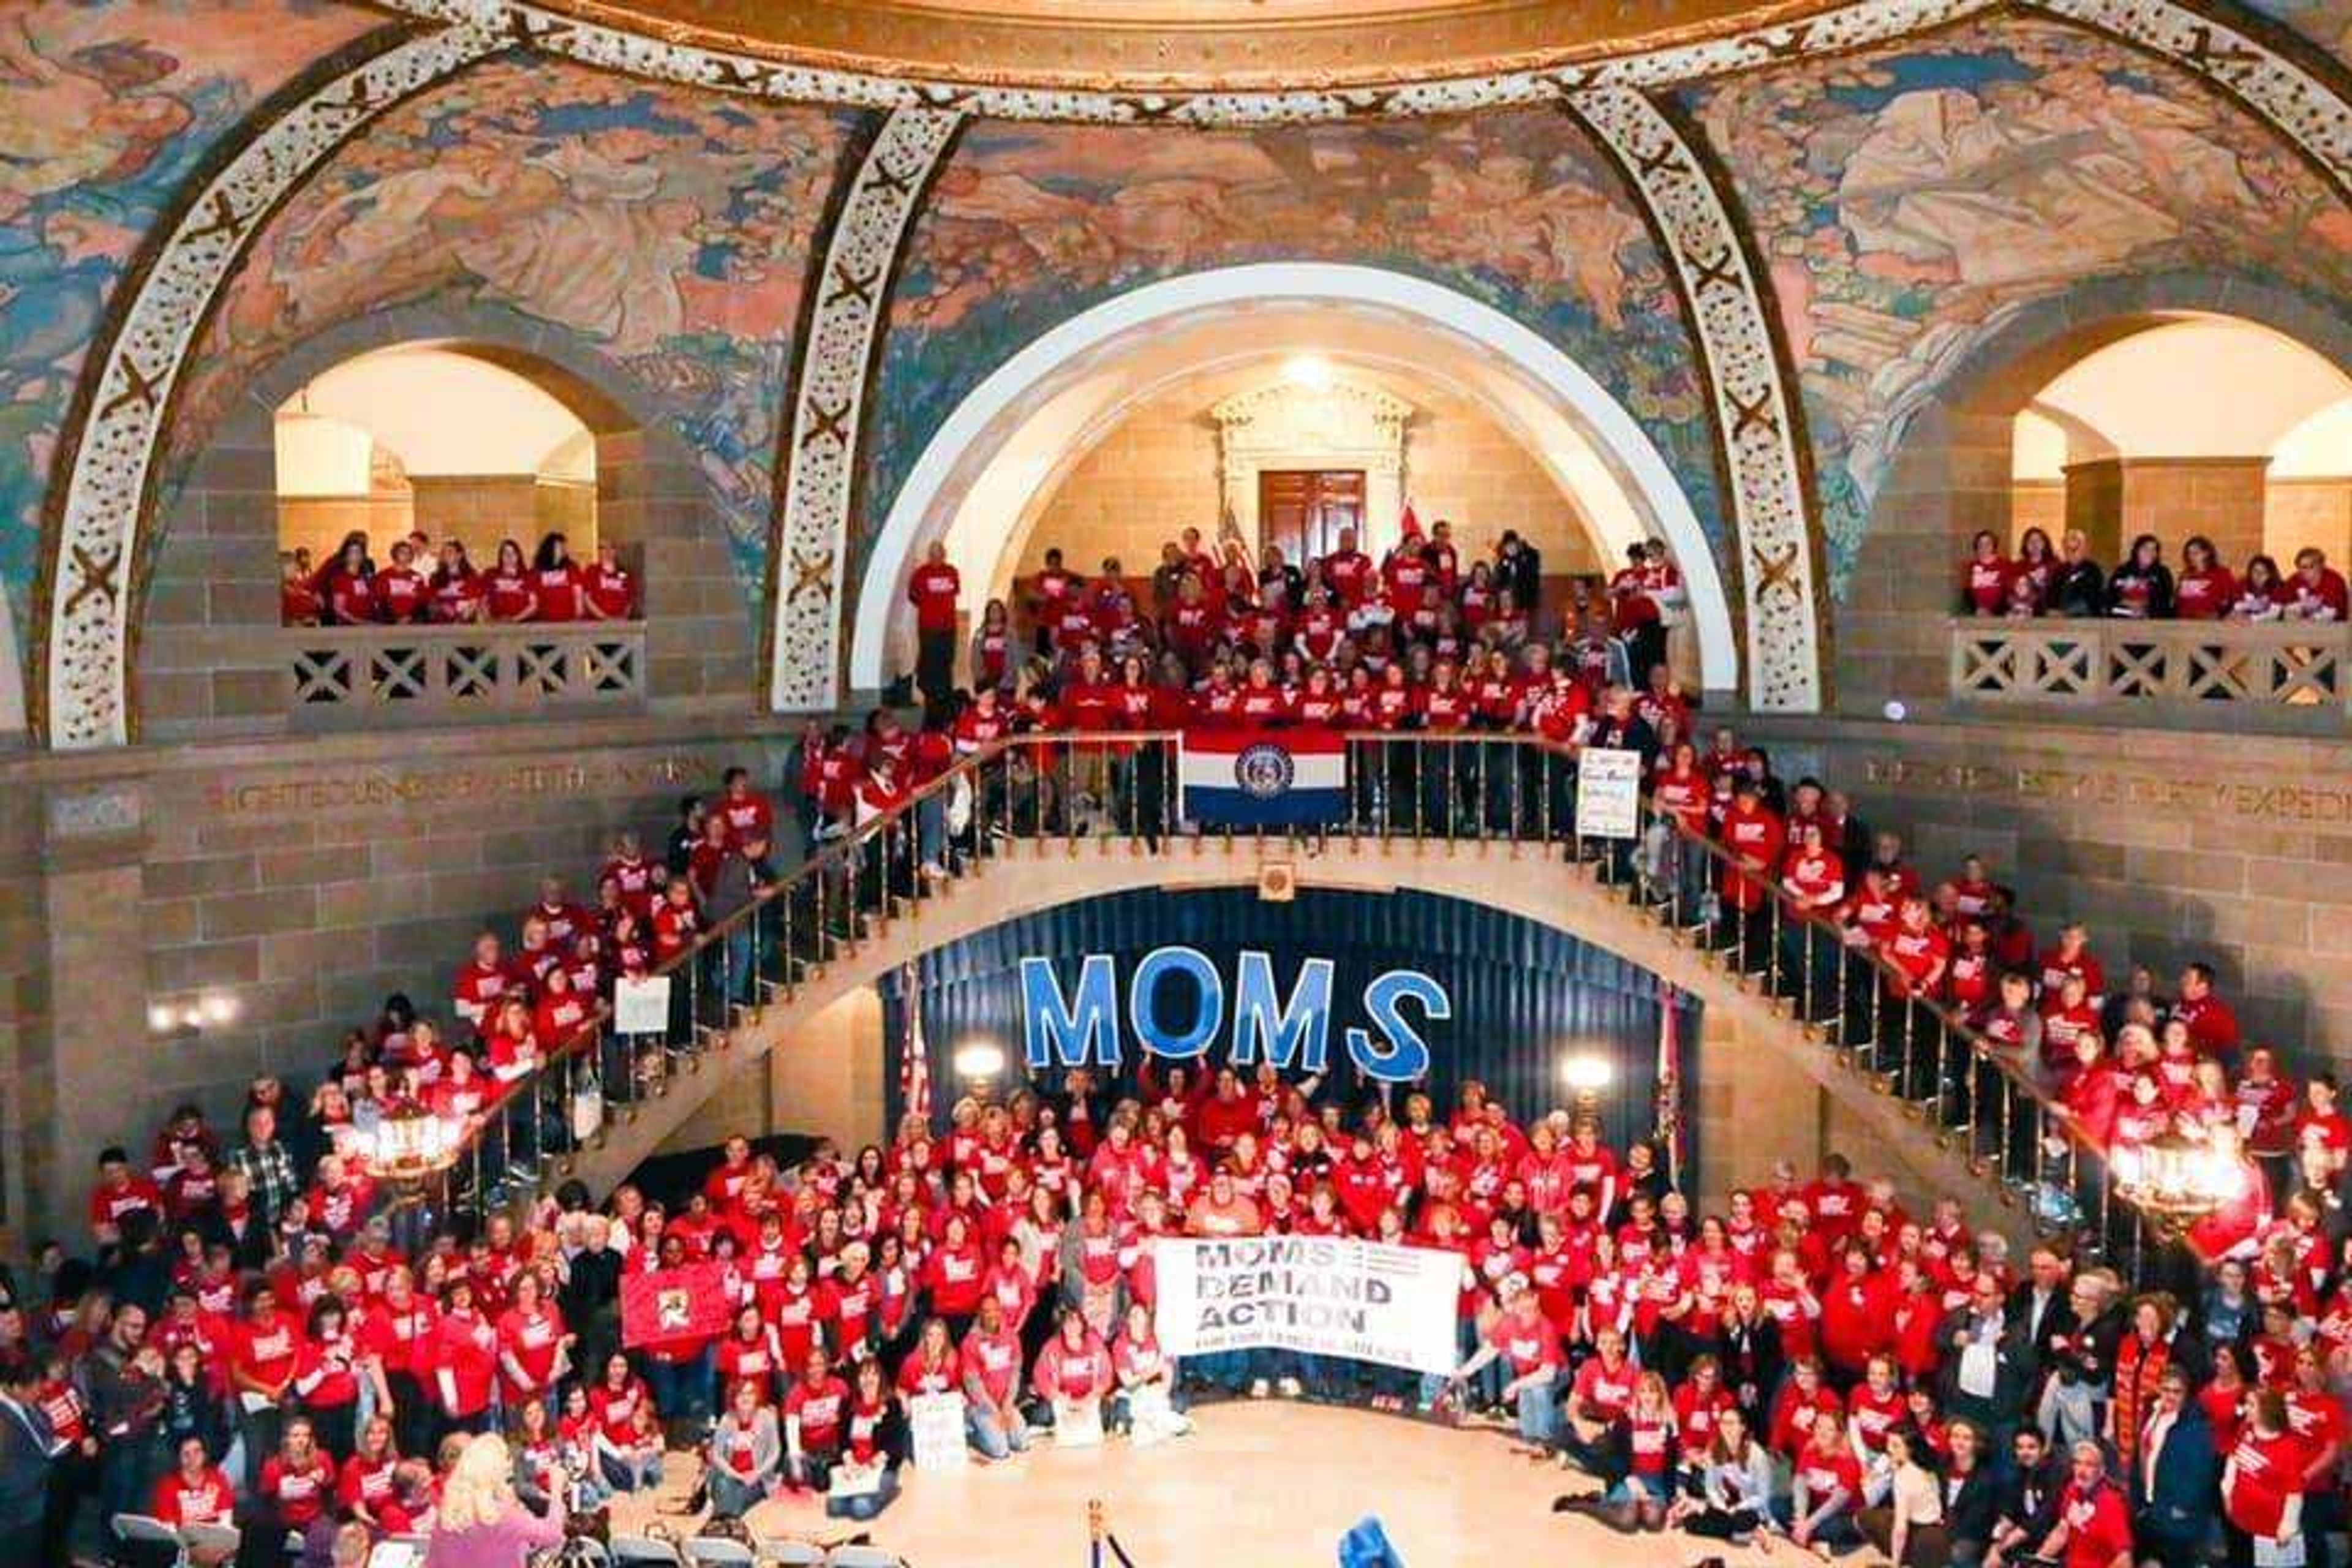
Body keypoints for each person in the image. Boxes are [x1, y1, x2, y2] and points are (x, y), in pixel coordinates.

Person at [423, 1433, 564, 1568]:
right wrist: (557, 1490)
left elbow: (432, 1565)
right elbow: (553, 1535)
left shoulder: (446, 1516)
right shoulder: (503, 1517)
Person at [706, 1378, 780, 1520]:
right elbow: (717, 1455)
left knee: (739, 1496)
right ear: (734, 1398)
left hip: (759, 1478)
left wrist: (756, 1474)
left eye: (750, 1393)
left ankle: (723, 1521)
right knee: (725, 1486)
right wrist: (736, 1475)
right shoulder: (727, 1420)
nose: (746, 1398)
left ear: (756, 1396)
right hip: (731, 1476)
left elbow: (775, 1453)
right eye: (741, 1394)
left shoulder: (767, 1418)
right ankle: (727, 1522)